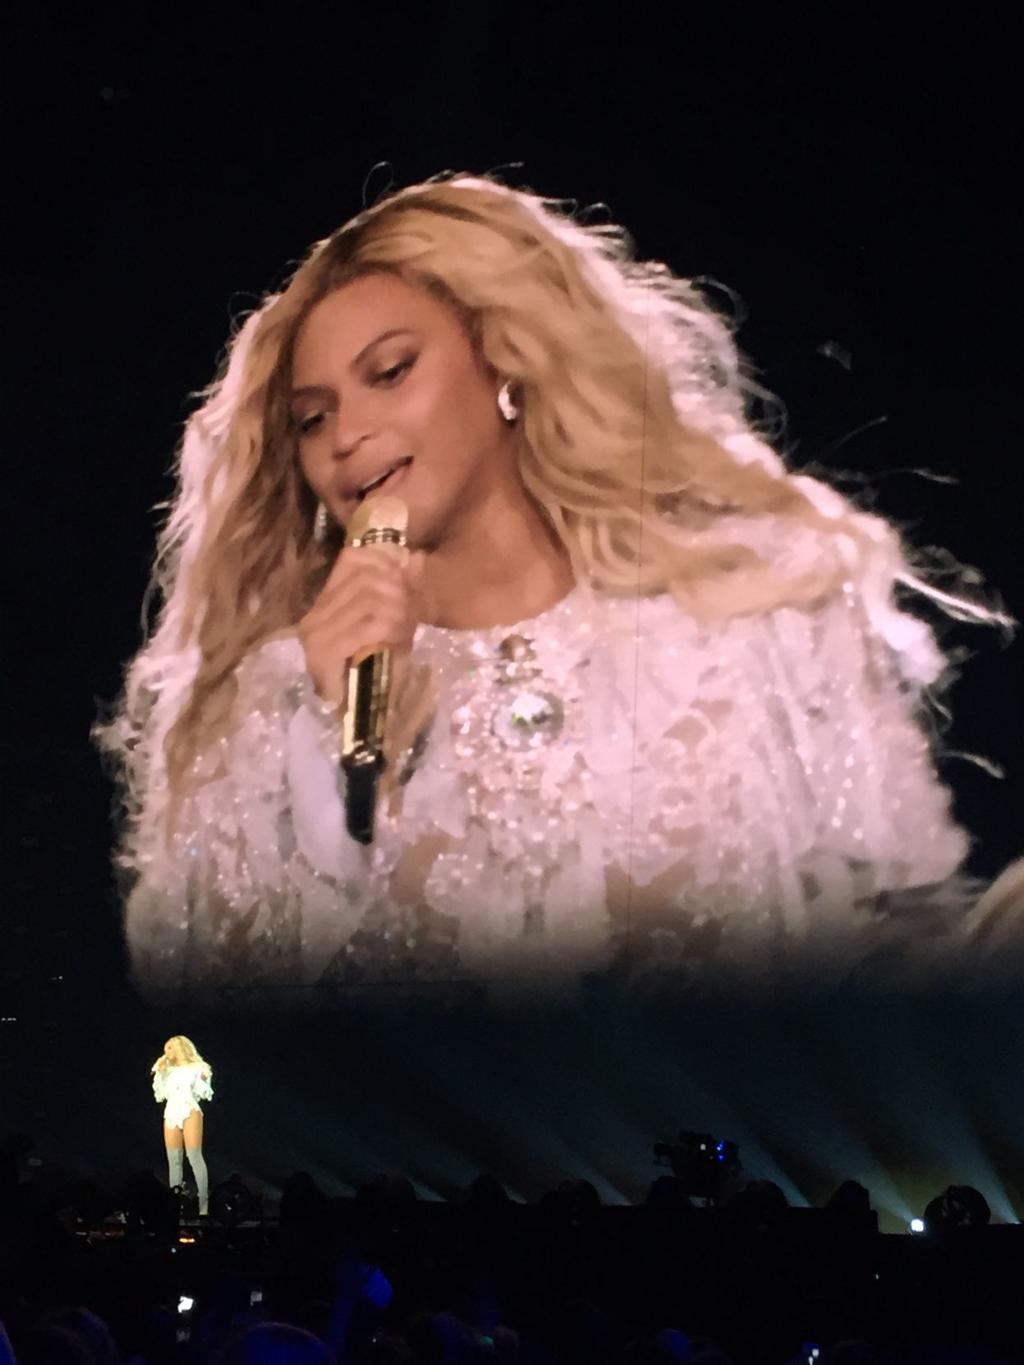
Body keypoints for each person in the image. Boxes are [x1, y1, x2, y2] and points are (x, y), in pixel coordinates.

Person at [96, 171, 1016, 1003]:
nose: (347, 435)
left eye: (390, 372)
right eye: (313, 417)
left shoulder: (754, 615)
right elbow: (231, 1036)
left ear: (504, 363)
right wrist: (336, 756)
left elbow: (901, 958)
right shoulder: (269, 711)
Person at [151, 1035, 213, 1213]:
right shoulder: (166, 1070)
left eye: (169, 1048)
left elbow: (204, 1092)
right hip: (171, 1111)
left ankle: (204, 1205)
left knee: (194, 1156)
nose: (166, 1052)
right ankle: (175, 1204)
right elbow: (160, 1095)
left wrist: (202, 1077)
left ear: (179, 1047)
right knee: (174, 1160)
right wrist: (160, 1073)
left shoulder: (196, 1068)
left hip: (189, 1108)